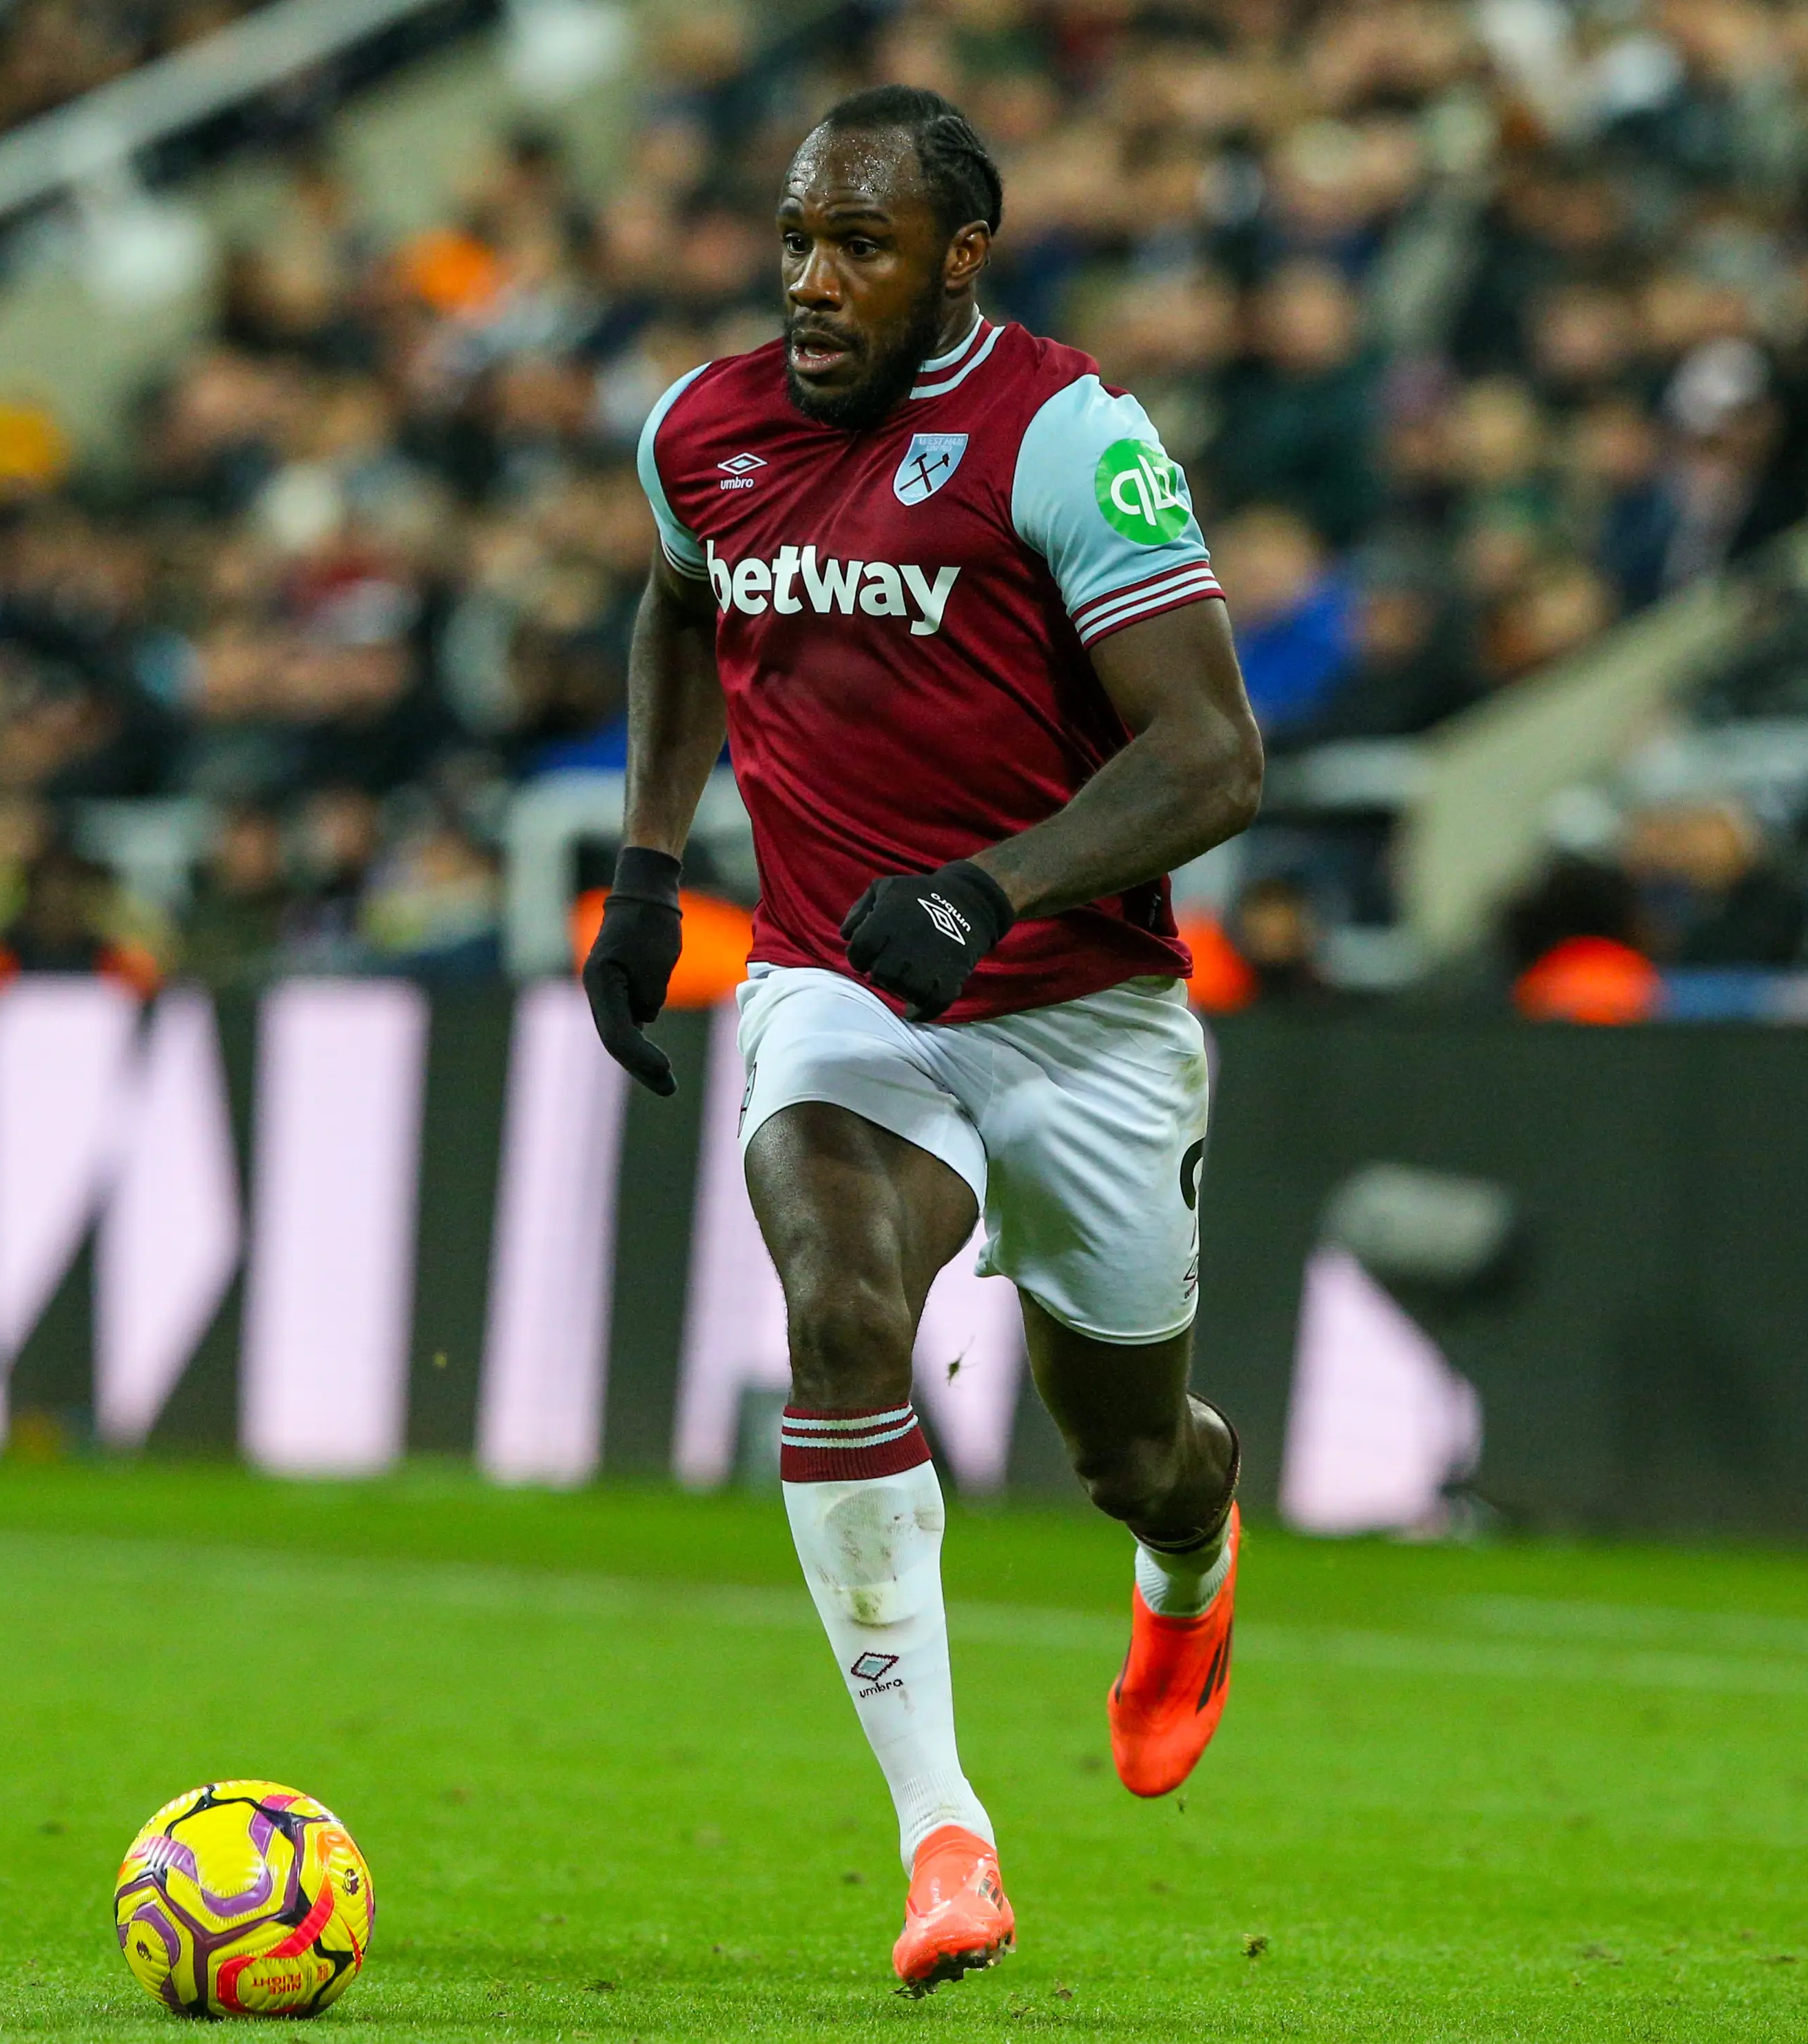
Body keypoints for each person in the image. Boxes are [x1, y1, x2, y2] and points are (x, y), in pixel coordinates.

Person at [582, 87, 1260, 1994]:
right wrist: (648, 865)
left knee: (1125, 1444)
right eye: (794, 239)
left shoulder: (1063, 433)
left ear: (958, 257)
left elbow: (1213, 753)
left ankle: (1187, 1565)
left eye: (858, 247)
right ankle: (938, 1828)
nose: (811, 282)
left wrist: (989, 886)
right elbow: (669, 606)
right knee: (840, 1300)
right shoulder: (698, 430)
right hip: (840, 986)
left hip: (1085, 1020)